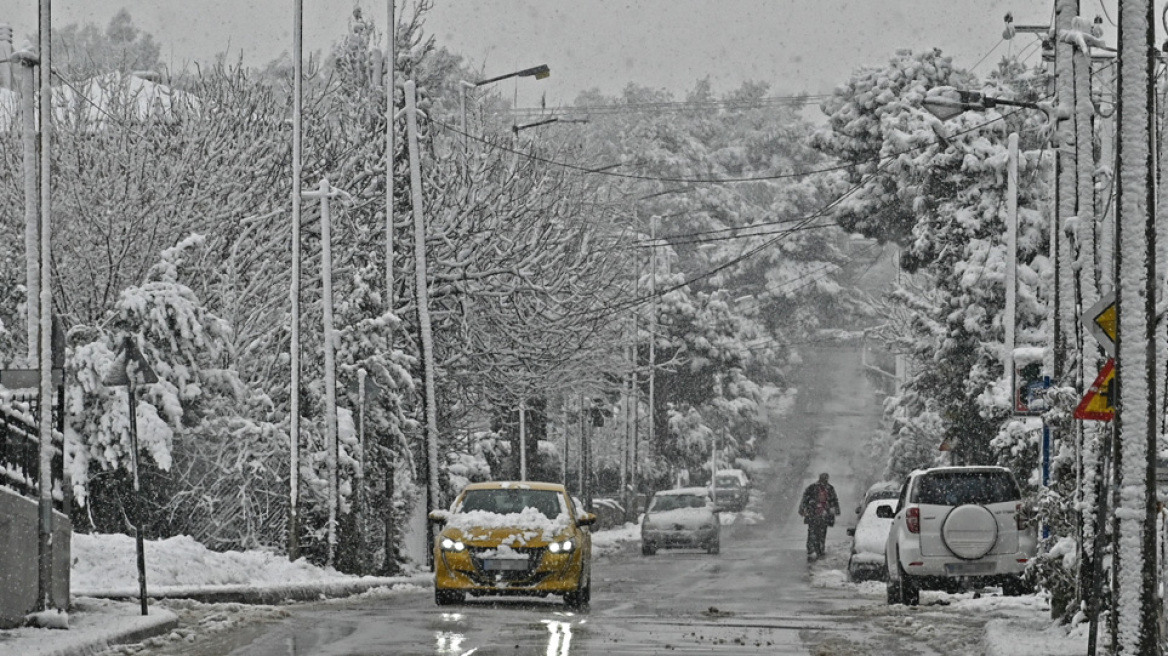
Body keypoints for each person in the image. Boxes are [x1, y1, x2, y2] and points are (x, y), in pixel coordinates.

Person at [798, 472, 840, 561]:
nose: (824, 481)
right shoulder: (812, 488)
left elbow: (834, 500)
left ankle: (820, 549)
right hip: (814, 514)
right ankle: (811, 549)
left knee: (822, 532)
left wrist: (834, 509)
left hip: (824, 515)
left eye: (826, 479)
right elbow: (805, 498)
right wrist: (803, 509)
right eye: (823, 479)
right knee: (812, 532)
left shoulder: (829, 489)